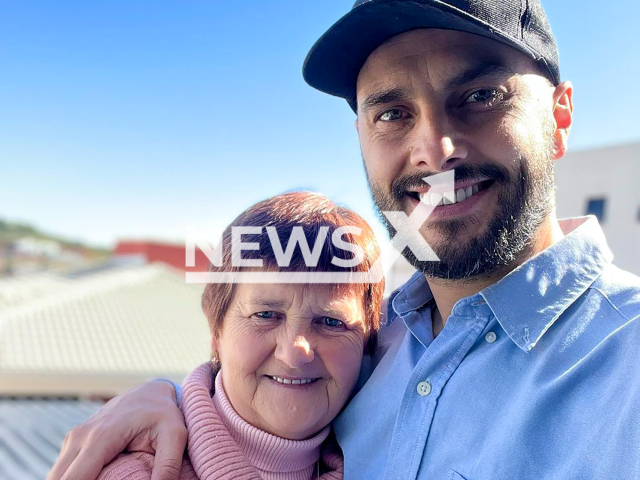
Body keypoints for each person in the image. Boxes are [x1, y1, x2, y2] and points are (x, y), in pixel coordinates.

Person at [49, 1, 640, 480]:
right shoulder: (373, 345)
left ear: (559, 118)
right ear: (360, 133)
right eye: (392, 113)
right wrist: (170, 398)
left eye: (481, 96)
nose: (435, 150)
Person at [95, 191, 384, 480]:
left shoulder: (387, 463)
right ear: (215, 332)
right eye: (266, 315)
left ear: (366, 344)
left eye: (331, 322)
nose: (294, 353)